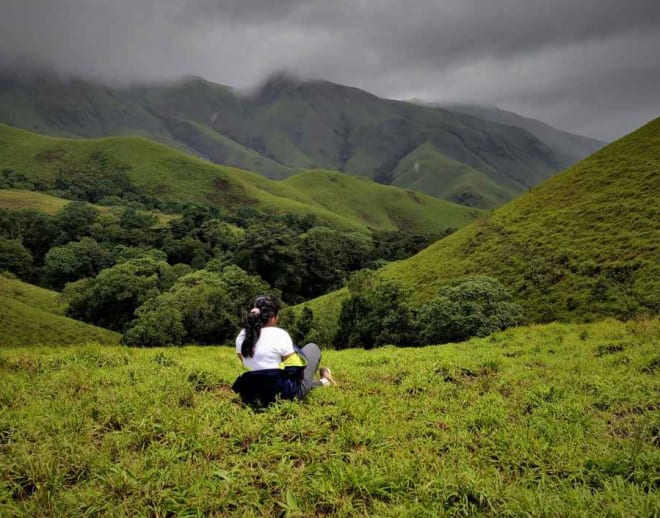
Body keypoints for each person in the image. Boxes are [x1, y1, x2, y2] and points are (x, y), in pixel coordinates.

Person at [231, 295, 335, 407]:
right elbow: (296, 370)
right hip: (282, 397)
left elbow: (249, 364)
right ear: (272, 318)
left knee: (274, 379)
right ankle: (325, 381)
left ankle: (324, 381)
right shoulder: (279, 335)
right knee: (312, 348)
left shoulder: (241, 337)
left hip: (251, 396)